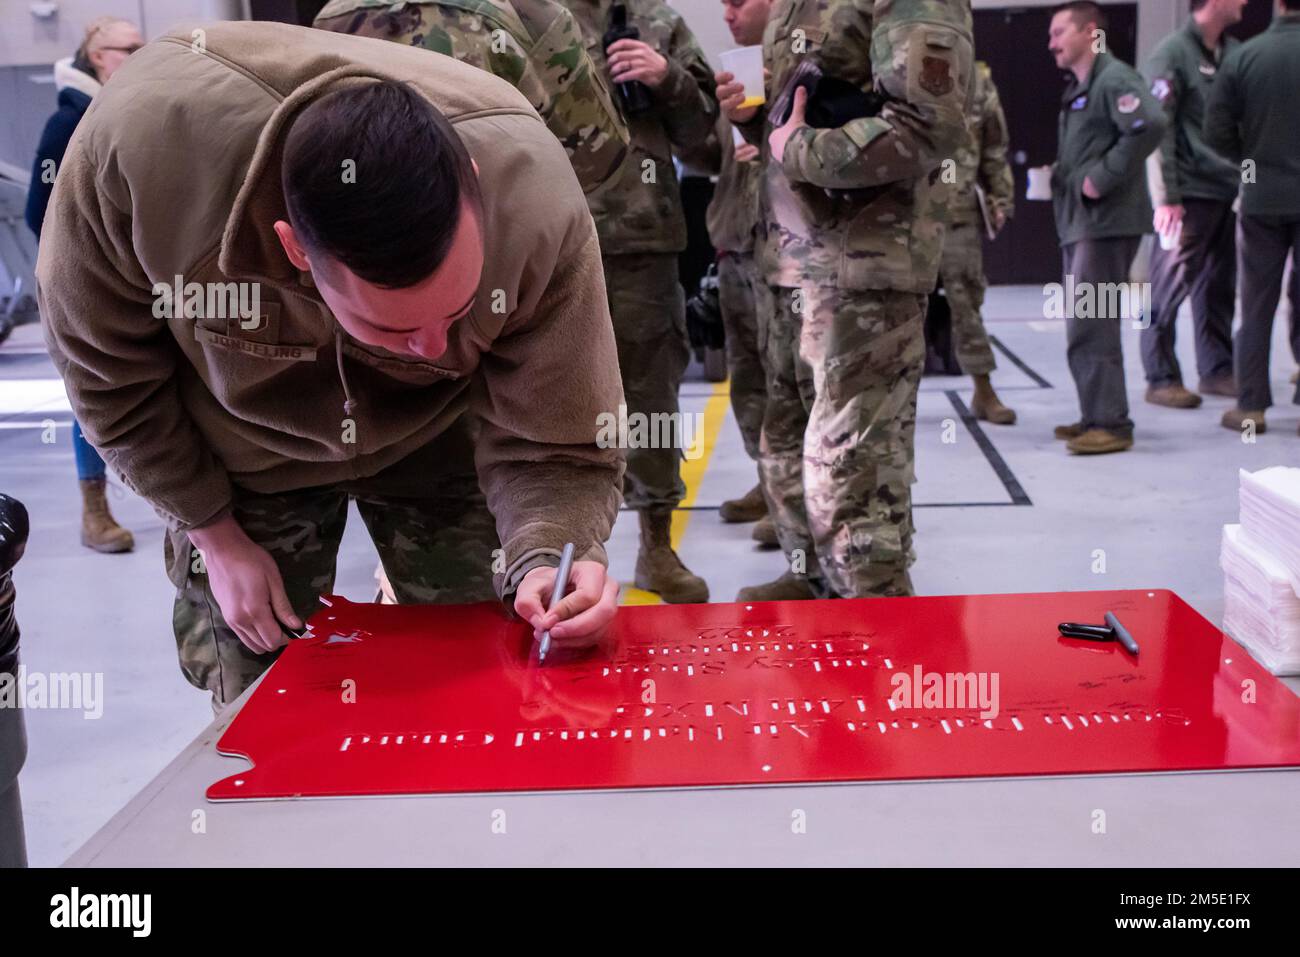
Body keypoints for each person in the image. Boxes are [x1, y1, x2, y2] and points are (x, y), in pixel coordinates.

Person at [36, 22, 625, 710]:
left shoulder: (533, 200)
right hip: (241, 450)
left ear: (472, 183)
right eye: (394, 327)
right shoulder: (138, 161)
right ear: (295, 251)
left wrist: (551, 553)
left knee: (497, 671)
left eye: (458, 310)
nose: (436, 346)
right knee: (262, 699)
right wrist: (213, 534)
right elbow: (109, 381)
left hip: (440, 436)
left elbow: (558, 436)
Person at [720, 0, 974, 601]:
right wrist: (754, 121)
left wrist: (797, 148)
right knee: (783, 442)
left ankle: (876, 630)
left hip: (863, 269)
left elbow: (925, 123)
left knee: (852, 477)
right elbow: (804, 117)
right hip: (792, 261)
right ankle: (811, 583)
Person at [558, 0, 719, 603]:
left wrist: (666, 77)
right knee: (549, 401)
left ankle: (657, 546)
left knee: (650, 400)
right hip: (548, 238)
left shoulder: (658, 20)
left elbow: (704, 134)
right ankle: (561, 555)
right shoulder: (519, 15)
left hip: (642, 241)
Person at [24, 16, 142, 554]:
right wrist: (90, 258)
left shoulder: (129, 114)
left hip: (139, 276)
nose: (139, 55)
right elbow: (37, 212)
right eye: (129, 48)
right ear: (97, 56)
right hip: (87, 282)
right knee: (94, 389)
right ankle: (94, 511)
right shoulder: (67, 122)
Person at [313, 0, 629, 194]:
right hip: (499, 259)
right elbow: (598, 161)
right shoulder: (525, 11)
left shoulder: (333, 16)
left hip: (366, 261)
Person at [1047, 1, 1164, 455]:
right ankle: (1095, 414)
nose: (1051, 43)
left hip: (1103, 223)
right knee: (1085, 321)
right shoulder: (1085, 85)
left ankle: (1111, 424)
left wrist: (1103, 177)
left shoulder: (1113, 78)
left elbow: (1149, 123)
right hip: (1083, 223)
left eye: (1059, 32)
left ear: (1089, 32)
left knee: (1092, 322)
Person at [1140, 0, 1246, 410]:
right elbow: (1156, 130)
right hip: (1187, 195)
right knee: (1164, 292)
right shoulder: (1171, 54)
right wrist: (1166, 197)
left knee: (1219, 287)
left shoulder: (1232, 53)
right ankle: (1159, 376)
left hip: (1225, 191)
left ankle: (1217, 370)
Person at [1205, 0, 1300, 436]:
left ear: (1278, 4)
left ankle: (1252, 408)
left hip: (1261, 198)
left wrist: (1251, 162)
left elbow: (1216, 133)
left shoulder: (1243, 57)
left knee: (1257, 303)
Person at [706, 0, 775, 543]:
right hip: (735, 245)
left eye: (739, 1)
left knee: (788, 380)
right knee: (747, 377)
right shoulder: (734, 73)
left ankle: (794, 497)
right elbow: (709, 155)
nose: (728, 12)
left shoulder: (802, 65)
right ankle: (769, 478)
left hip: (781, 251)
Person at [938, 60, 1017, 426]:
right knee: (886, 313)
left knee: (966, 301)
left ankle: (983, 391)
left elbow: (994, 145)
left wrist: (1001, 197)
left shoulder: (977, 79)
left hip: (957, 211)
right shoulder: (887, 64)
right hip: (898, 215)